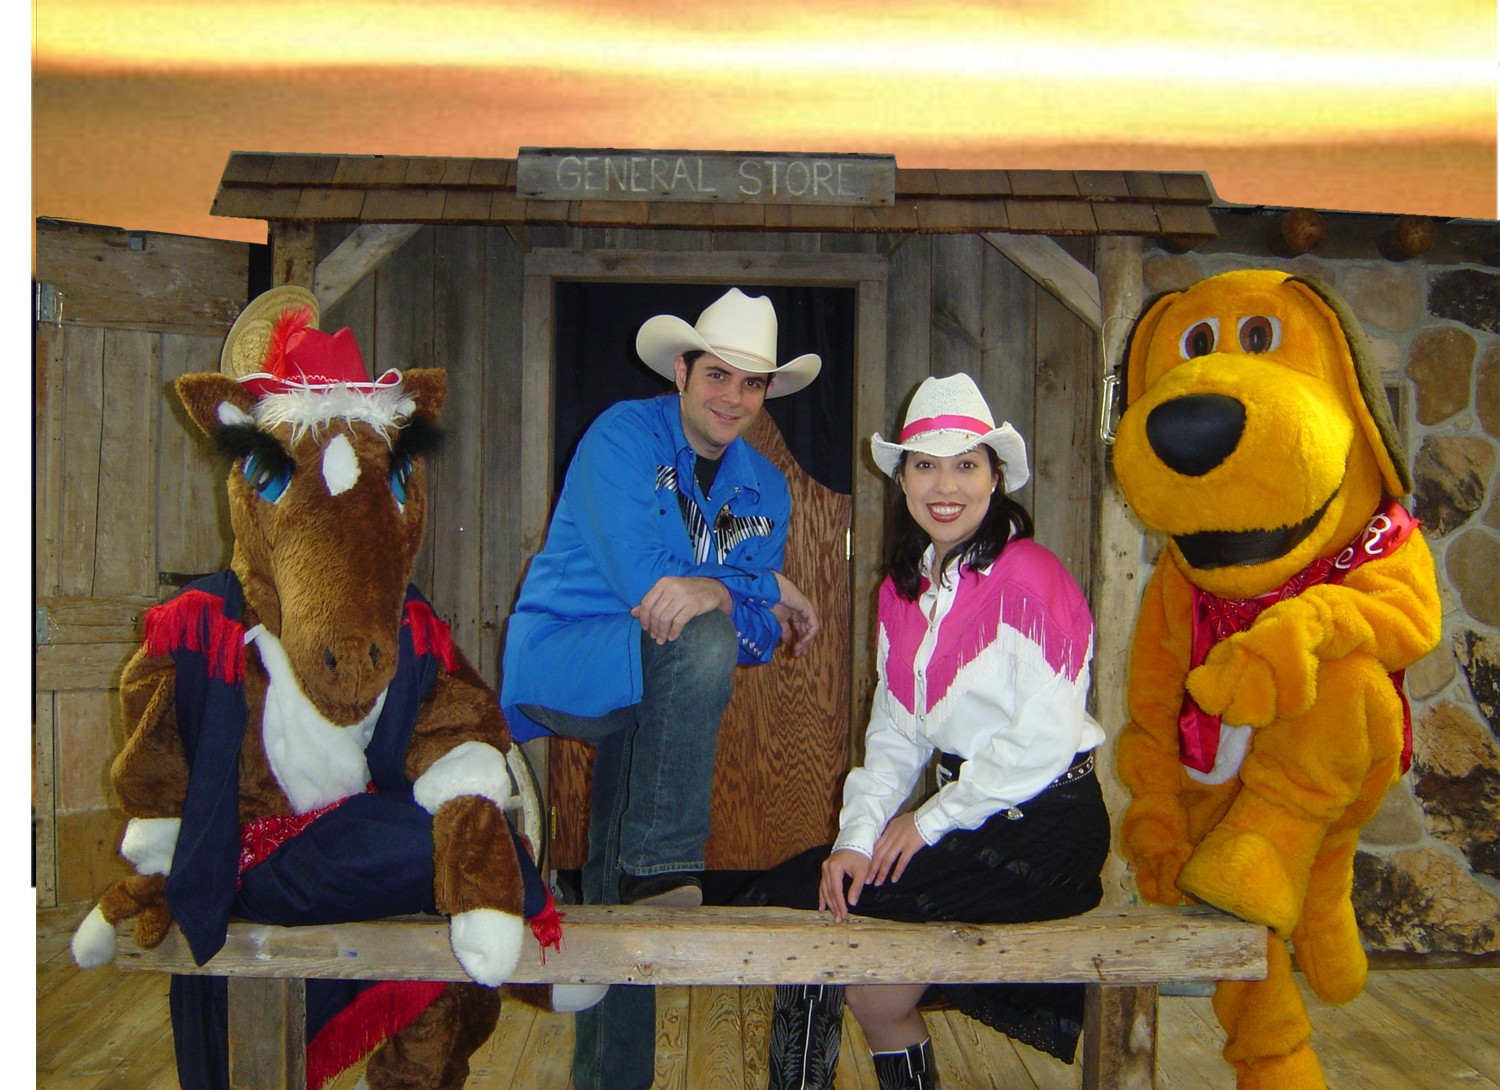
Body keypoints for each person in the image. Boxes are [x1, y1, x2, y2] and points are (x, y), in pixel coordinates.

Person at [739, 372, 1110, 1090]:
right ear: (903, 478)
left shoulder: (1031, 577)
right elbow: (896, 734)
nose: (945, 485)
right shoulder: (905, 588)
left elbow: (1044, 740)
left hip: (1045, 828)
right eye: (925, 465)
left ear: (995, 476)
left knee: (811, 906)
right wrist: (856, 838)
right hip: (970, 816)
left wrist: (929, 820)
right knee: (873, 986)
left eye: (965, 464)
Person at [500, 286, 823, 1090]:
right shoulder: (621, 436)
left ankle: (614, 1074)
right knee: (699, 633)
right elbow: (649, 589)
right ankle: (665, 862)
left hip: (658, 681)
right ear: (681, 371)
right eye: (718, 375)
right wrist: (760, 586)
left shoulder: (766, 488)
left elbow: (755, 642)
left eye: (753, 383)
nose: (733, 398)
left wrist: (730, 594)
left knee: (614, 887)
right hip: (570, 652)